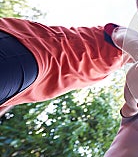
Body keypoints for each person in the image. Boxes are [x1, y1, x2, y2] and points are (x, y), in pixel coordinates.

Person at [0, 17, 129, 113]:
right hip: (34, 52)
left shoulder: (108, 70)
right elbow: (122, 36)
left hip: (23, 86)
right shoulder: (129, 40)